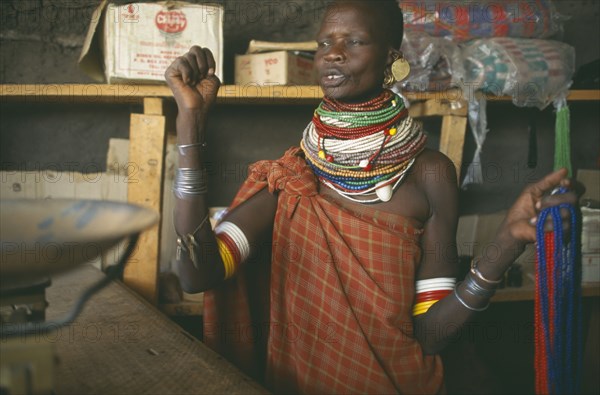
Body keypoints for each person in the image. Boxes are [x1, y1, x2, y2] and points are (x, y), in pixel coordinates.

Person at [165, 1, 581, 393]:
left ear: (390, 57)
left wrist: (506, 244)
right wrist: (190, 127)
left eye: (355, 41)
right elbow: (196, 274)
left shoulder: (429, 173)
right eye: (325, 42)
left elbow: (430, 334)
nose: (333, 53)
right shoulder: (294, 178)